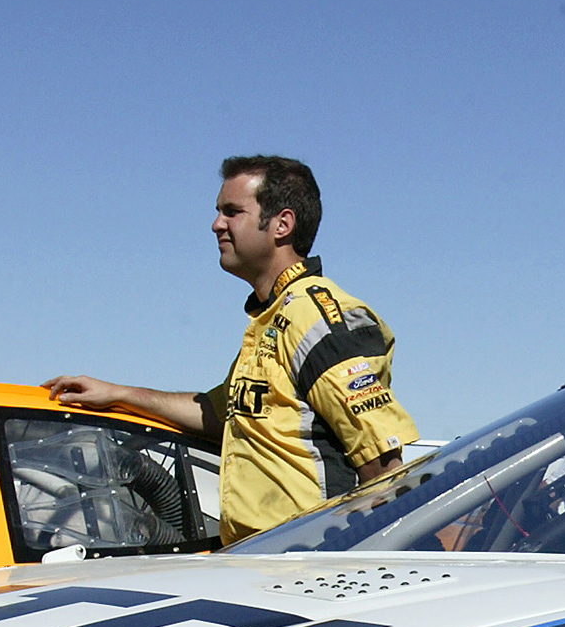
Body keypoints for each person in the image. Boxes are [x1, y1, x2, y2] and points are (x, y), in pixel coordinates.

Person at [44, 156, 418, 542]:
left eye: (232, 212)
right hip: (258, 558)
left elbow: (383, 463)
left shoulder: (314, 315)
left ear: (282, 225)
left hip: (305, 561)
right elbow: (215, 412)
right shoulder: (272, 319)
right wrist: (119, 395)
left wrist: (358, 560)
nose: (216, 224)